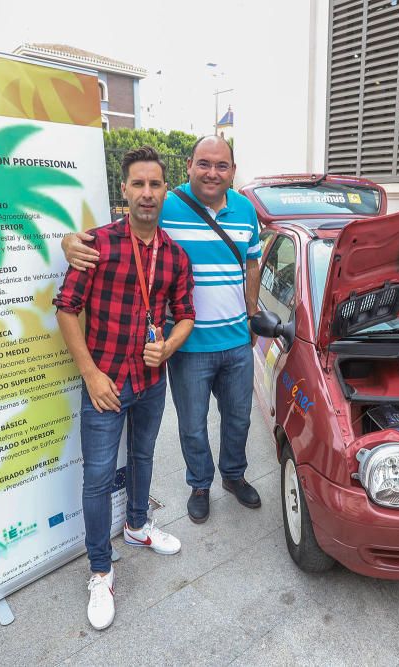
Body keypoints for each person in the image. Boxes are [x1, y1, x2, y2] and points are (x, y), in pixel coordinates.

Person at [62, 136, 262, 524]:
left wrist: (252, 313)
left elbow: (251, 264)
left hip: (238, 340)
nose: (212, 172)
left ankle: (234, 476)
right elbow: (115, 230)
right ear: (188, 166)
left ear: (233, 171)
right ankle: (200, 483)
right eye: (204, 164)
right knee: (192, 424)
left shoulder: (246, 211)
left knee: (239, 419)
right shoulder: (166, 204)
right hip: (186, 346)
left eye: (222, 166)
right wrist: (70, 240)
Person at [54, 145, 195, 631]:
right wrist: (91, 374)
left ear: (165, 191)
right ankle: (99, 569)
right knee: (96, 477)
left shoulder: (175, 255)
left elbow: (187, 314)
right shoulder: (97, 245)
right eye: (139, 184)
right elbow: (66, 307)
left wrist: (170, 345)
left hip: (152, 381)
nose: (148, 193)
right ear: (125, 190)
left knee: (142, 457)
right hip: (106, 384)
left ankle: (136, 526)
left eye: (155, 184)